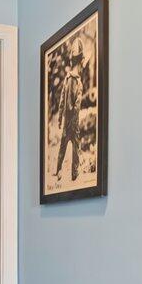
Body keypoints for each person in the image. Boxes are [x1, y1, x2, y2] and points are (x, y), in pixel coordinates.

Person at [55, 38, 85, 182]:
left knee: (63, 145)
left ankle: (59, 169)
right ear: (80, 61)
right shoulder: (78, 82)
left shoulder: (67, 79)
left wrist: (61, 118)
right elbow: (78, 104)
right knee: (76, 146)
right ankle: (74, 172)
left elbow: (61, 101)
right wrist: (73, 119)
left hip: (67, 120)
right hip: (73, 121)